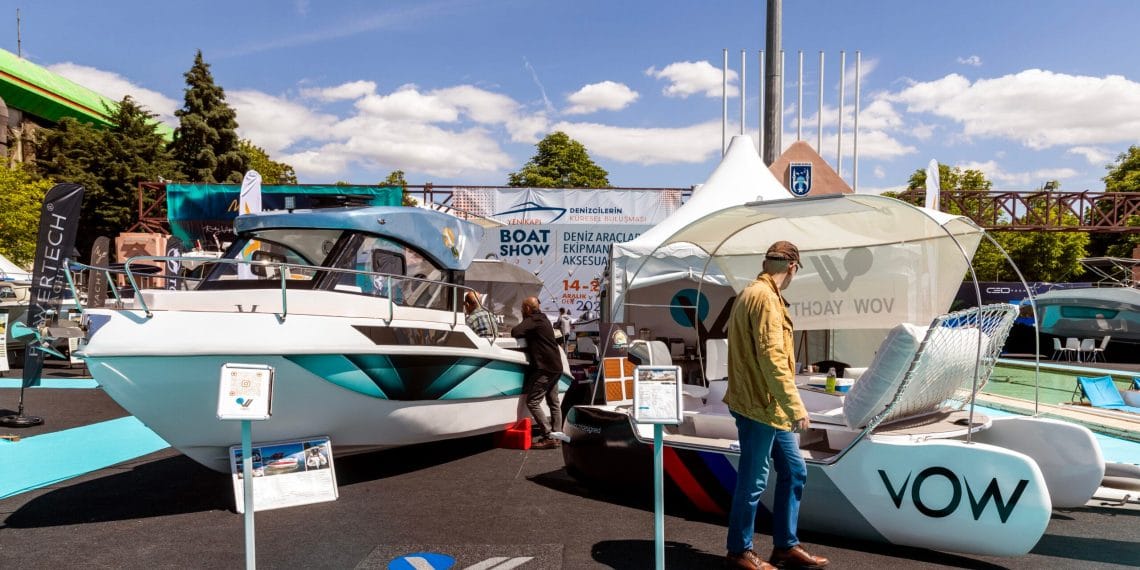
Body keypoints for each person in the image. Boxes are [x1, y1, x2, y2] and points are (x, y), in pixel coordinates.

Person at [723, 241, 829, 570]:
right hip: (761, 405)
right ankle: (739, 551)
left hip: (766, 405)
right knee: (753, 480)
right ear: (792, 267)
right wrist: (795, 406)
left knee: (795, 471)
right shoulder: (766, 298)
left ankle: (785, 545)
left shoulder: (750, 293)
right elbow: (773, 359)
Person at [510, 296, 562, 450]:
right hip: (556, 366)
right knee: (554, 403)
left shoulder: (533, 319)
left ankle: (548, 436)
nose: (521, 310)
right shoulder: (543, 318)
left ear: (527, 309)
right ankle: (557, 435)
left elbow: (515, 331)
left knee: (532, 401)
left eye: (522, 308)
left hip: (545, 367)